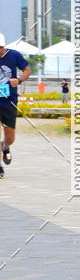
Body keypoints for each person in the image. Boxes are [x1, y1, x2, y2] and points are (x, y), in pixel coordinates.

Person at [0, 34, 31, 178]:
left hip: (9, 101)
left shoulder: (14, 55)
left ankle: (5, 147)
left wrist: (18, 80)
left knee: (10, 137)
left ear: (3, 47)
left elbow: (27, 70)